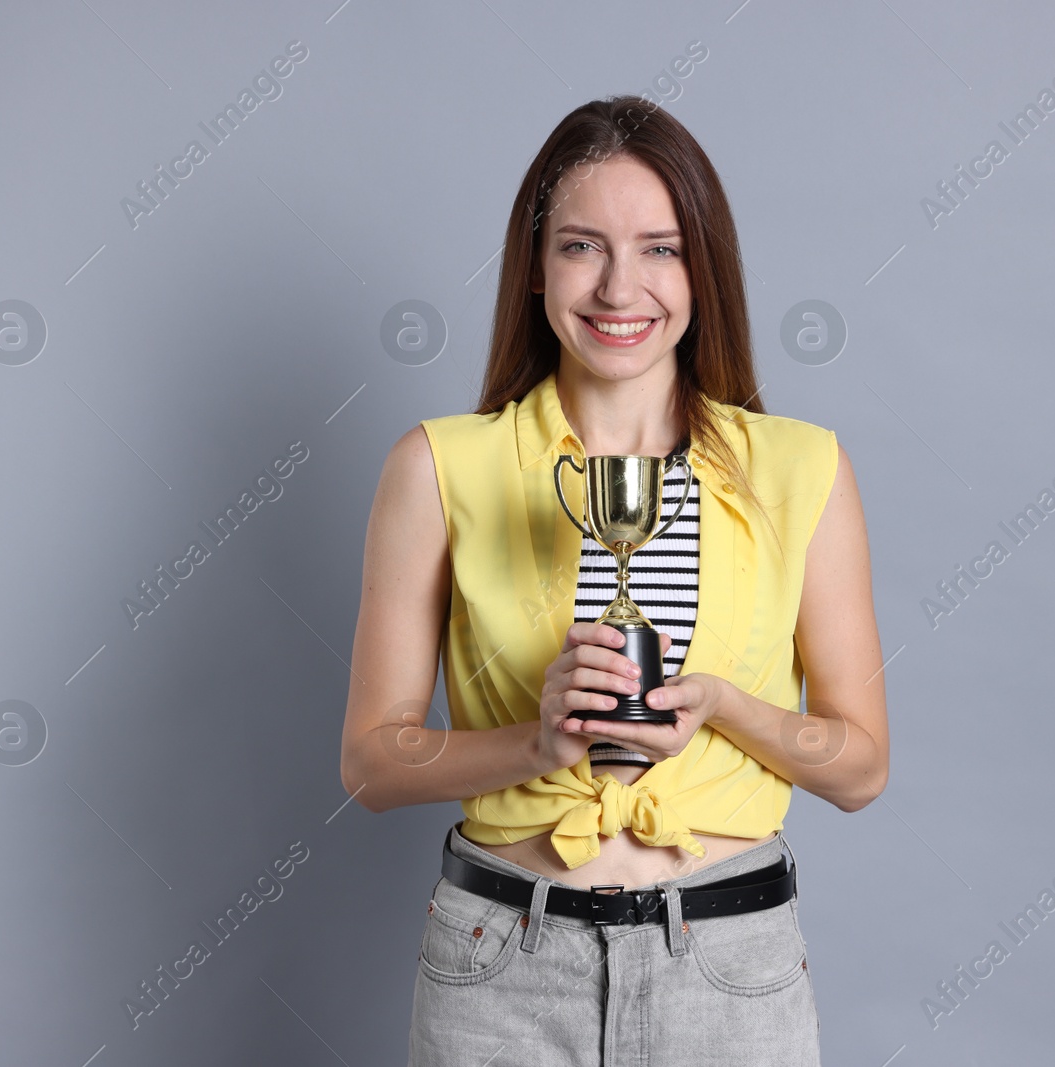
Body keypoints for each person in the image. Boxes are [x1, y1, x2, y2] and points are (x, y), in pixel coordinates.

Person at [340, 94, 888, 1066]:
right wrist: (536, 740)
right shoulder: (438, 466)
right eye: (582, 246)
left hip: (730, 967)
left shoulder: (801, 469)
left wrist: (719, 702)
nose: (618, 287)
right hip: (501, 968)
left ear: (702, 268)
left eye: (661, 249)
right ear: (535, 266)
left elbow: (859, 766)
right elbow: (373, 765)